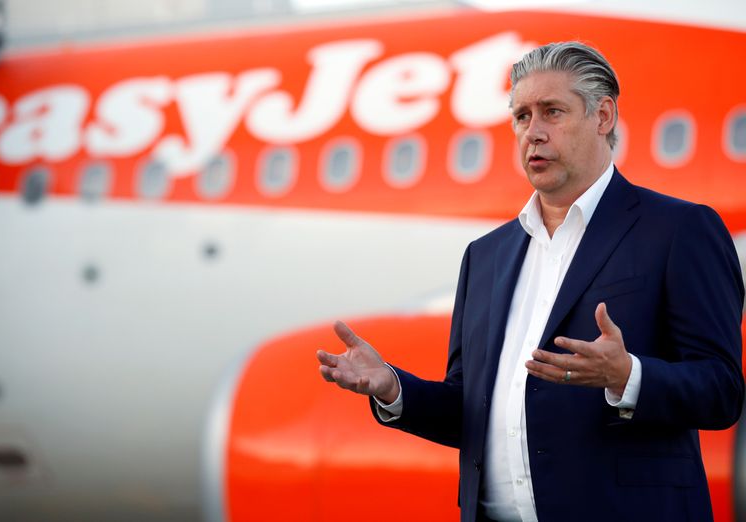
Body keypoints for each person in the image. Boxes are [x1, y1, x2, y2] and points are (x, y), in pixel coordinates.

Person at [315, 41, 745, 522]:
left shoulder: (679, 230)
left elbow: (722, 391)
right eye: (521, 117)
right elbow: (470, 408)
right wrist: (393, 388)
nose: (533, 133)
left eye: (552, 112)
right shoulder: (486, 256)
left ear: (603, 116)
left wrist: (628, 376)